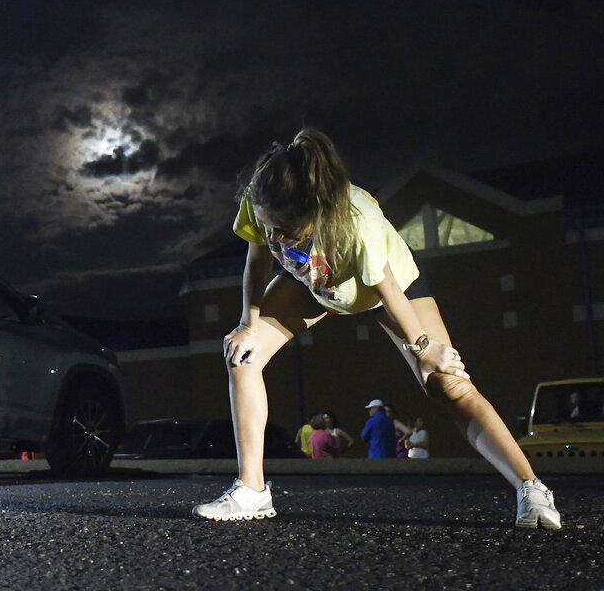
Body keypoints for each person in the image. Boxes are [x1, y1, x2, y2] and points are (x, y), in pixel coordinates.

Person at [191, 127, 561, 529]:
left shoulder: (356, 222)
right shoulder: (262, 196)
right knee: (241, 354)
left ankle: (532, 489)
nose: (276, 240)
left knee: (447, 384)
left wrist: (424, 347)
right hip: (319, 290)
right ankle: (252, 490)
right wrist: (248, 323)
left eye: (287, 233)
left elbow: (388, 290)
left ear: (316, 213)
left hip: (387, 289)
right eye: (270, 230)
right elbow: (257, 263)